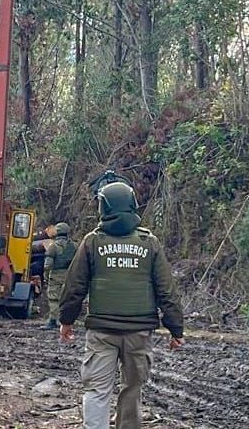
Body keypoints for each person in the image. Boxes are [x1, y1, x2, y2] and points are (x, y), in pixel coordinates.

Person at [59, 181, 184, 429]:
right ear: (132, 205)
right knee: (133, 389)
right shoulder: (149, 243)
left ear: (103, 207)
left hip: (102, 333)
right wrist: (176, 329)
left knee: (96, 389)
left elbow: (74, 287)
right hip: (139, 333)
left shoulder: (92, 242)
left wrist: (66, 320)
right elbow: (166, 290)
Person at [39, 222, 77, 330]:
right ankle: (67, 321)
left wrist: (46, 277)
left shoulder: (53, 247)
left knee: (53, 298)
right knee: (68, 298)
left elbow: (48, 265)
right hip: (70, 275)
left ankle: (52, 321)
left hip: (56, 275)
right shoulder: (75, 246)